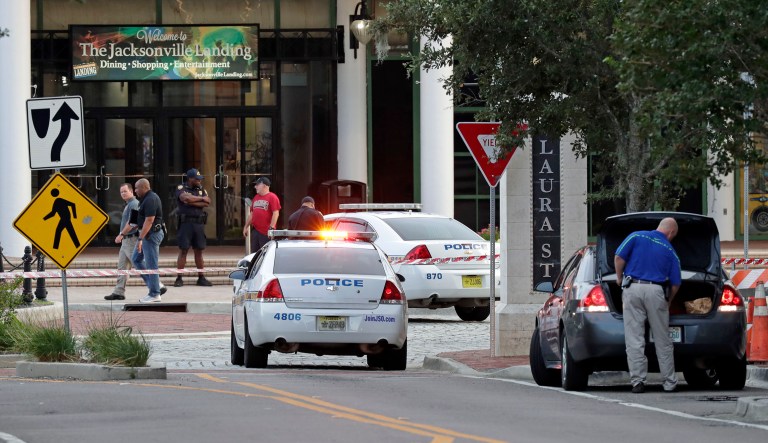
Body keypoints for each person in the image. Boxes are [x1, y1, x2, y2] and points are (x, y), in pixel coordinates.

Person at [614, 217, 681, 393]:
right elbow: (675, 283)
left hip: (632, 288)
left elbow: (619, 257)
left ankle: (637, 382)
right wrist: (669, 300)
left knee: (634, 338)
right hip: (656, 291)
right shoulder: (670, 250)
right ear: (671, 233)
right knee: (663, 339)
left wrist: (619, 278)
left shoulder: (636, 236)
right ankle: (669, 382)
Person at [105, 183, 166, 300]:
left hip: (134, 238)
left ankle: (156, 287)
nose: (123, 194)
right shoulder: (133, 203)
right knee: (125, 265)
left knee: (144, 263)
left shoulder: (136, 203)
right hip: (127, 240)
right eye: (121, 192)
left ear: (132, 191)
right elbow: (134, 221)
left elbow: (139, 222)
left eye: (125, 191)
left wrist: (130, 236)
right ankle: (119, 291)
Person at [174, 168, 213, 287]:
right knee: (183, 250)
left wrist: (192, 201)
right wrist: (201, 199)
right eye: (197, 179)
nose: (199, 181)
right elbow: (184, 198)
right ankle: (179, 278)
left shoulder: (201, 189)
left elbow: (207, 202)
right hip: (186, 224)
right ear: (190, 179)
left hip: (199, 224)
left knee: (199, 250)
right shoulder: (181, 188)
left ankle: (201, 277)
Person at [132, 178, 165, 303]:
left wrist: (140, 238)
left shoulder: (151, 199)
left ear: (144, 187)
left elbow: (150, 220)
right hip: (146, 235)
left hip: (150, 236)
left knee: (152, 265)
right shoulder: (145, 199)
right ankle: (156, 285)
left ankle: (155, 293)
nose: (135, 191)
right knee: (136, 259)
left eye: (136, 188)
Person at [243, 177, 281, 252]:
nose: (255, 187)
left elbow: (276, 213)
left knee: (265, 254)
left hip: (266, 232)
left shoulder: (272, 197)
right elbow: (252, 213)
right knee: (255, 254)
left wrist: (271, 228)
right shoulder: (256, 197)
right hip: (256, 230)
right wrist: (246, 226)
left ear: (264, 186)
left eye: (257, 185)